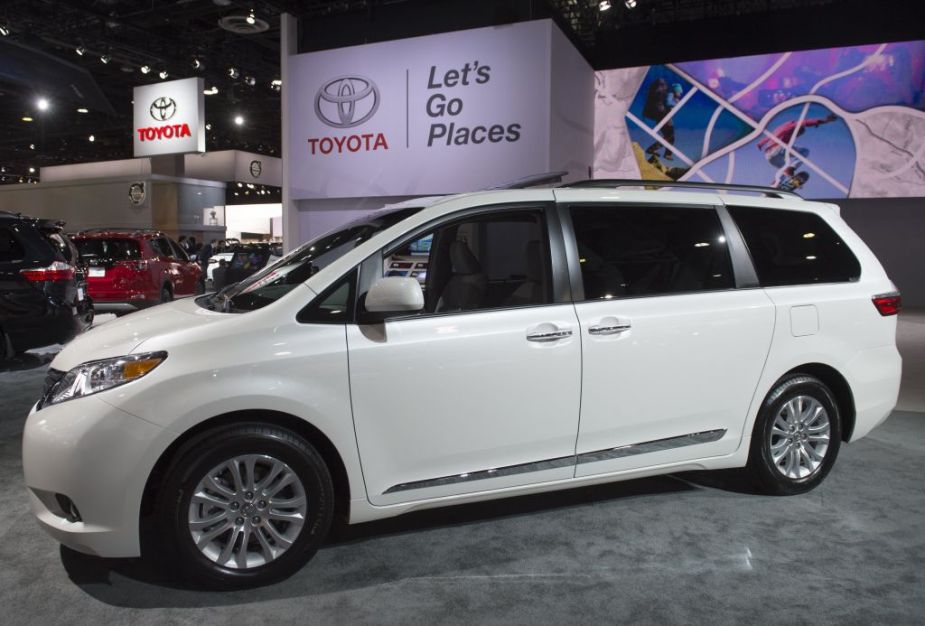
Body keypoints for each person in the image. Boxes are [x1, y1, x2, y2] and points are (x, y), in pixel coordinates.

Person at [758, 113, 837, 184]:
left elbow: (769, 136)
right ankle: (791, 168)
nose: (797, 137)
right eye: (798, 134)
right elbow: (805, 122)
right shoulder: (792, 125)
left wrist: (760, 144)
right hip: (778, 149)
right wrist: (824, 121)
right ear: (797, 130)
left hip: (769, 156)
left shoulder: (779, 129)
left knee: (784, 170)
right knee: (804, 151)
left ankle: (775, 185)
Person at [643, 79, 683, 161]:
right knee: (670, 137)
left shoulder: (672, 96)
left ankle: (653, 149)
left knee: (669, 137)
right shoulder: (670, 94)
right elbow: (668, 103)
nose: (680, 93)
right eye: (679, 91)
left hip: (665, 118)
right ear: (676, 91)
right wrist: (676, 103)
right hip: (664, 118)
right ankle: (664, 153)